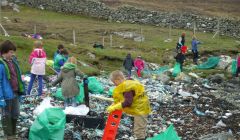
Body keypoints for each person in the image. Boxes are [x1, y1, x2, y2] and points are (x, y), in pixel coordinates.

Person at [106, 70, 151, 140]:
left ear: (118, 79)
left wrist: (115, 107)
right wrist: (114, 104)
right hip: (143, 106)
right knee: (142, 127)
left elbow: (127, 102)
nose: (115, 85)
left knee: (139, 130)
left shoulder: (127, 88)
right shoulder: (130, 81)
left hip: (140, 109)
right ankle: (143, 136)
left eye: (114, 82)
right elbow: (125, 98)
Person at [0, 40, 25, 139]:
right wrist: (1, 98)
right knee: (6, 115)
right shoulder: (1, 65)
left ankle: (13, 133)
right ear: (4, 52)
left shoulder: (14, 62)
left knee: (16, 113)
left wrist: (21, 91)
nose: (12, 54)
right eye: (11, 52)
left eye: (13, 52)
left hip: (15, 93)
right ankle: (8, 135)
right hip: (6, 95)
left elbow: (17, 77)